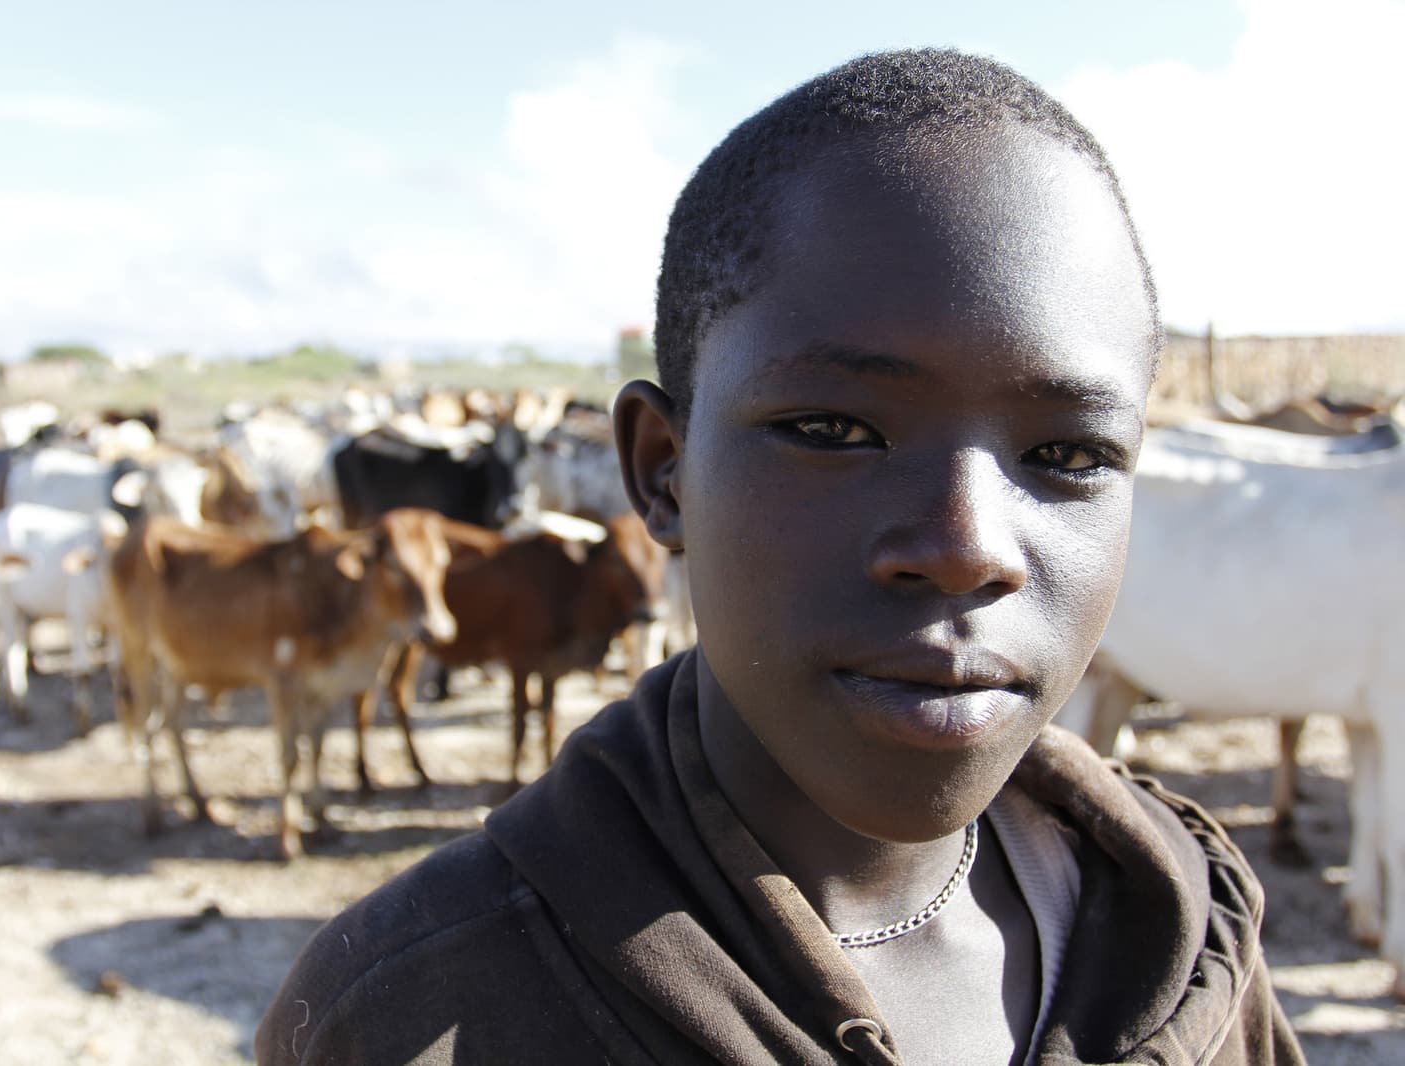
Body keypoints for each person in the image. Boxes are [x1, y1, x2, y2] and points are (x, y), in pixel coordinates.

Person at [256, 48, 1305, 1065]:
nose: (965, 548)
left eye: (1067, 453)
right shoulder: (410, 1016)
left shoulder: (1184, 932)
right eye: (834, 430)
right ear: (664, 472)